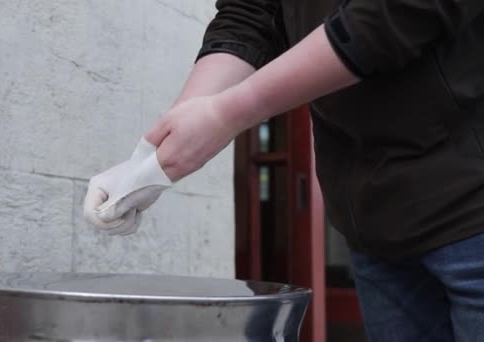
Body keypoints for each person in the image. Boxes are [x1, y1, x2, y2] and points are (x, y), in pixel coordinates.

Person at [84, 1, 484, 340]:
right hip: (375, 222)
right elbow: (251, 14)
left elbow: (396, 12)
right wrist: (154, 156)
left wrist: (226, 115)